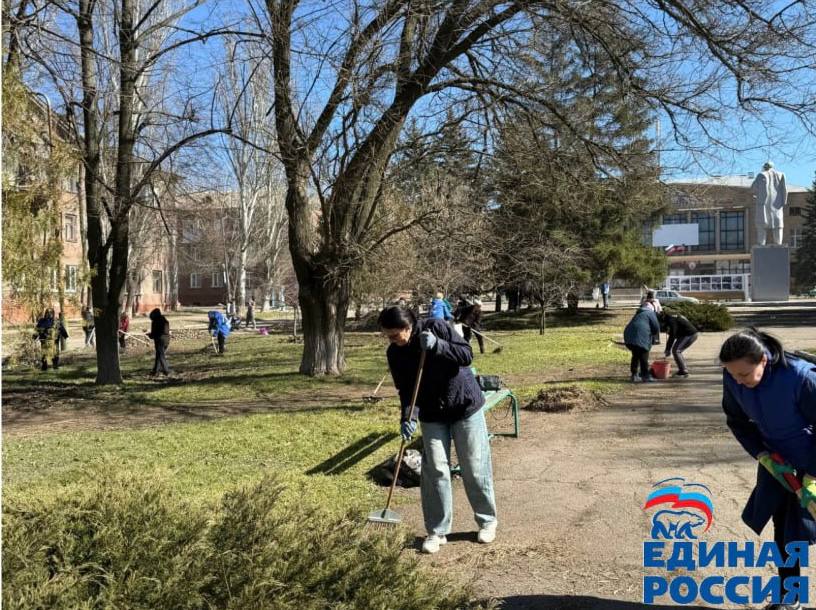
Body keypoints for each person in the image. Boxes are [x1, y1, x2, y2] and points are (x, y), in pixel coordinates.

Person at [379, 306, 497, 554]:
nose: (391, 340)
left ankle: (487, 521)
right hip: (432, 414)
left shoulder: (437, 327)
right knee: (435, 471)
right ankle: (437, 531)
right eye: (387, 336)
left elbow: (466, 355)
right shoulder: (395, 353)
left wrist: (438, 346)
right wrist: (408, 416)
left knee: (474, 466)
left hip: (464, 405)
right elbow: (405, 389)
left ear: (408, 327)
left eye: (394, 335)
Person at [719, 329, 816, 610]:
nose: (739, 381)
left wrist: (811, 474)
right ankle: (790, 598)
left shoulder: (801, 378)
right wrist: (762, 455)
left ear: (763, 359)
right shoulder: (733, 376)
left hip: (811, 463)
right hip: (777, 464)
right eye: (734, 375)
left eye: (744, 375)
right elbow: (736, 420)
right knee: (785, 531)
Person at [623, 305, 659, 383]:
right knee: (644, 356)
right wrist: (653, 336)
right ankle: (645, 376)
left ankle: (634, 375)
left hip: (629, 336)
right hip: (641, 336)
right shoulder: (650, 313)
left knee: (635, 355)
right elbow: (656, 327)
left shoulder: (638, 314)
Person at [660, 311, 699, 378]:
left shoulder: (671, 320)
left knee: (676, 351)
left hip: (689, 334)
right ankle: (683, 369)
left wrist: (667, 349)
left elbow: (672, 335)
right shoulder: (671, 318)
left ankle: (683, 371)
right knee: (677, 351)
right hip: (687, 334)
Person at [147, 308, 171, 376]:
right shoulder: (164, 320)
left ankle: (166, 371)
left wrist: (149, 335)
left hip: (160, 340)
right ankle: (155, 371)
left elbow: (154, 333)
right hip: (167, 339)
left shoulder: (155, 321)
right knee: (159, 355)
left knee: (161, 356)